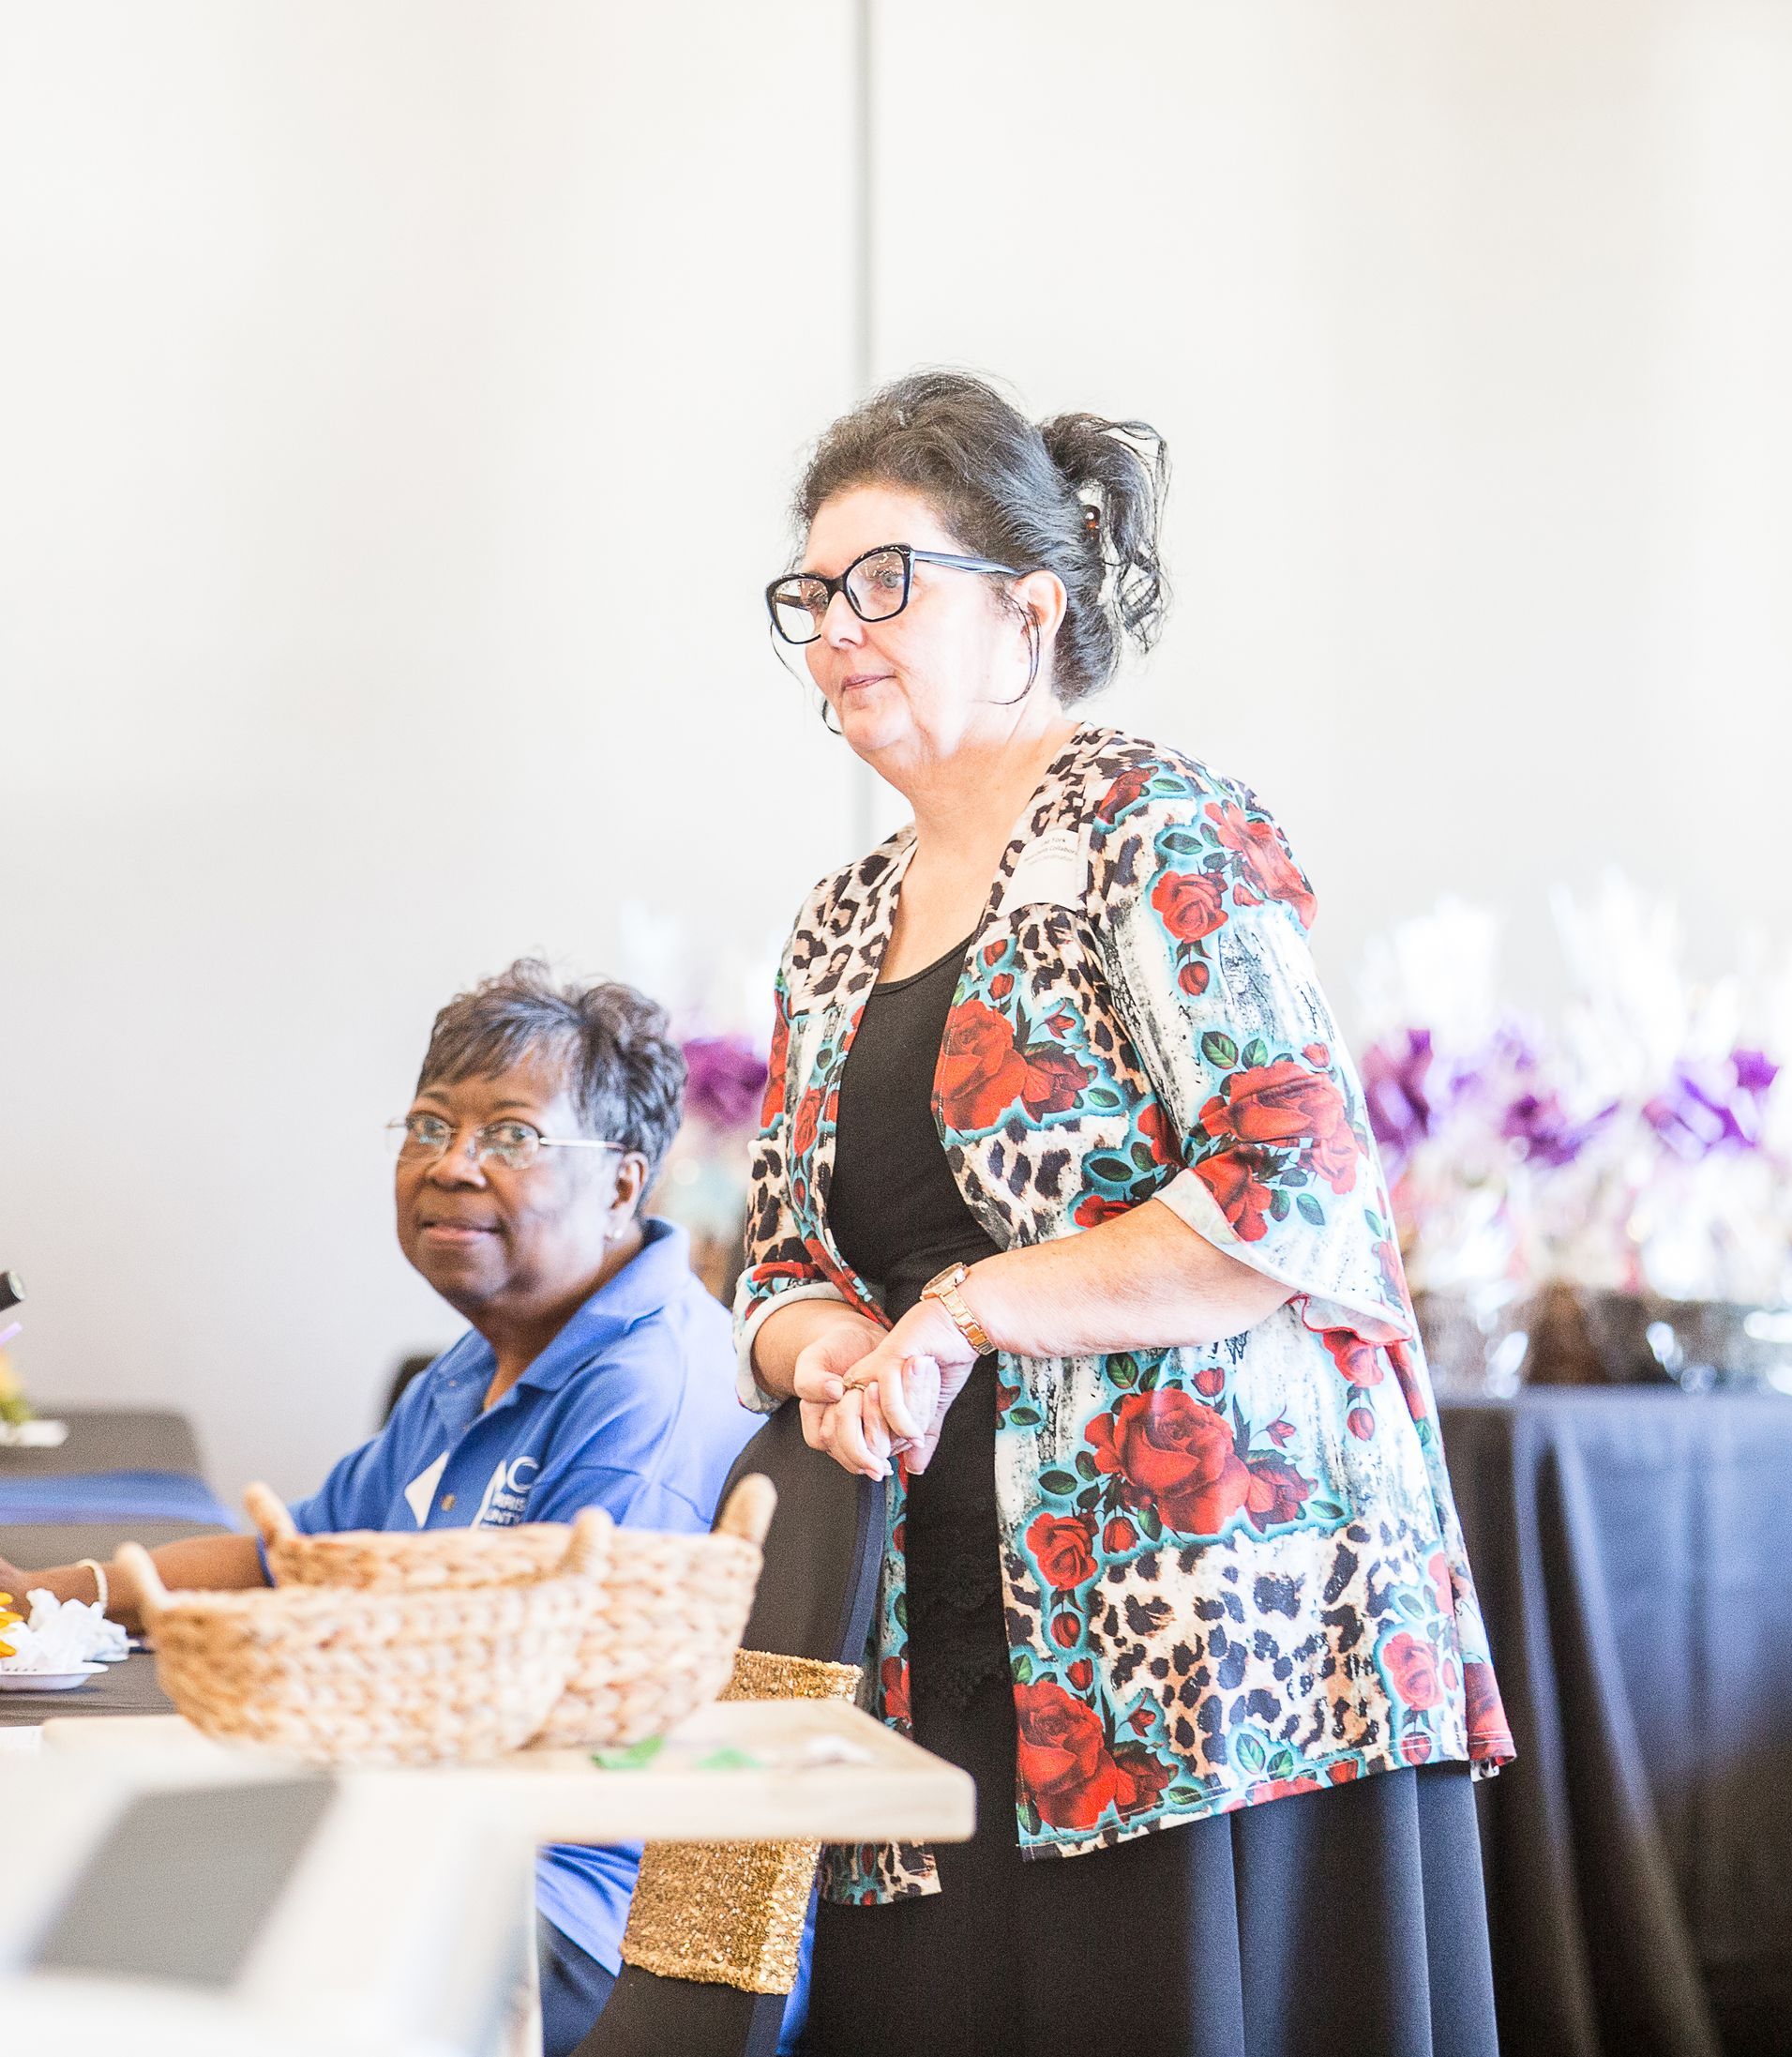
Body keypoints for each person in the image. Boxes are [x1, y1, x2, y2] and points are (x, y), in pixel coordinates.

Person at [740, 371, 1515, 2057]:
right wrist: (836, 1356)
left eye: (888, 582)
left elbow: (1286, 1189)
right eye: (813, 596)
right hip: (932, 1605)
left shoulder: (1155, 828)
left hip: (1206, 1625)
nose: (837, 630)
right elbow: (781, 1254)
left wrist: (961, 1311)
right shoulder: (834, 918)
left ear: (1031, 606)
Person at [1, 960, 756, 2057]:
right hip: (438, 1825)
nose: (451, 1165)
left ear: (623, 1182)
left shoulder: (645, 1394)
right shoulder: (482, 1355)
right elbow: (288, 1559)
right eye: (427, 1125)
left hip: (566, 1912)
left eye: (510, 1135)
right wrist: (51, 1600)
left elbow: (558, 1715)